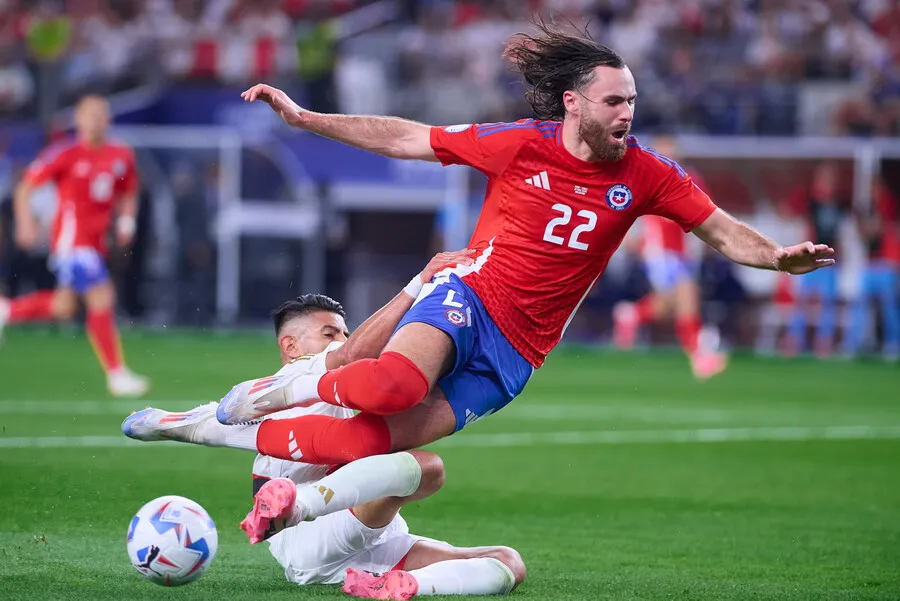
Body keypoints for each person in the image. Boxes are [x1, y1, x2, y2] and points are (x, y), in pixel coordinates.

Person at [219, 23, 835, 531]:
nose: (627, 113)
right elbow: (409, 138)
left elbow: (722, 231)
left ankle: (206, 428)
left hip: (518, 353)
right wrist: (306, 117)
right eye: (614, 102)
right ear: (574, 102)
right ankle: (286, 390)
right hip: (470, 294)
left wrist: (778, 256)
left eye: (632, 102)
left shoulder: (650, 174)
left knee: (368, 441)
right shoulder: (517, 143)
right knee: (391, 386)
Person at [123, 251, 526, 600]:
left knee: (508, 563)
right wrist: (419, 283)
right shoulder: (303, 371)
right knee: (428, 468)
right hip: (309, 536)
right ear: (291, 346)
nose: (341, 340)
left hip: (375, 541)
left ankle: (403, 585)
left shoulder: (349, 382)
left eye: (345, 332)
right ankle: (295, 505)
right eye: (329, 332)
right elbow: (354, 353)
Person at [0, 95, 148, 396]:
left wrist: (126, 221)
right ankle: (116, 374)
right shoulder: (65, 153)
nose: (95, 120)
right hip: (72, 243)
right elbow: (25, 187)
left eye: (100, 114)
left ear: (108, 119)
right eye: (89, 114)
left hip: (96, 243)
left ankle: (7, 310)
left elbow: (129, 190)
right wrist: (25, 223)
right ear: (78, 119)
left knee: (63, 306)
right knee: (101, 297)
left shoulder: (120, 154)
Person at [612, 135, 727, 379]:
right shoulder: (648, 177)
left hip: (682, 252)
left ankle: (631, 315)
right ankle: (699, 358)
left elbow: (707, 210)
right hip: (660, 252)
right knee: (687, 295)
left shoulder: (689, 179)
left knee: (666, 306)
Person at [783, 162, 849, 358]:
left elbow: (839, 233)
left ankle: (824, 342)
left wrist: (840, 254)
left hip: (828, 257)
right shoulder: (811, 202)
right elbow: (798, 219)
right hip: (810, 257)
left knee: (827, 302)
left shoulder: (838, 205)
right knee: (802, 301)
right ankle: (794, 340)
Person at [843, 175, 899, 360]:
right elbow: (866, 235)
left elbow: (878, 229)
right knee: (859, 305)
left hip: (886, 264)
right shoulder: (869, 208)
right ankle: (854, 344)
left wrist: (864, 223)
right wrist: (859, 220)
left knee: (889, 307)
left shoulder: (887, 204)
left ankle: (894, 344)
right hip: (870, 264)